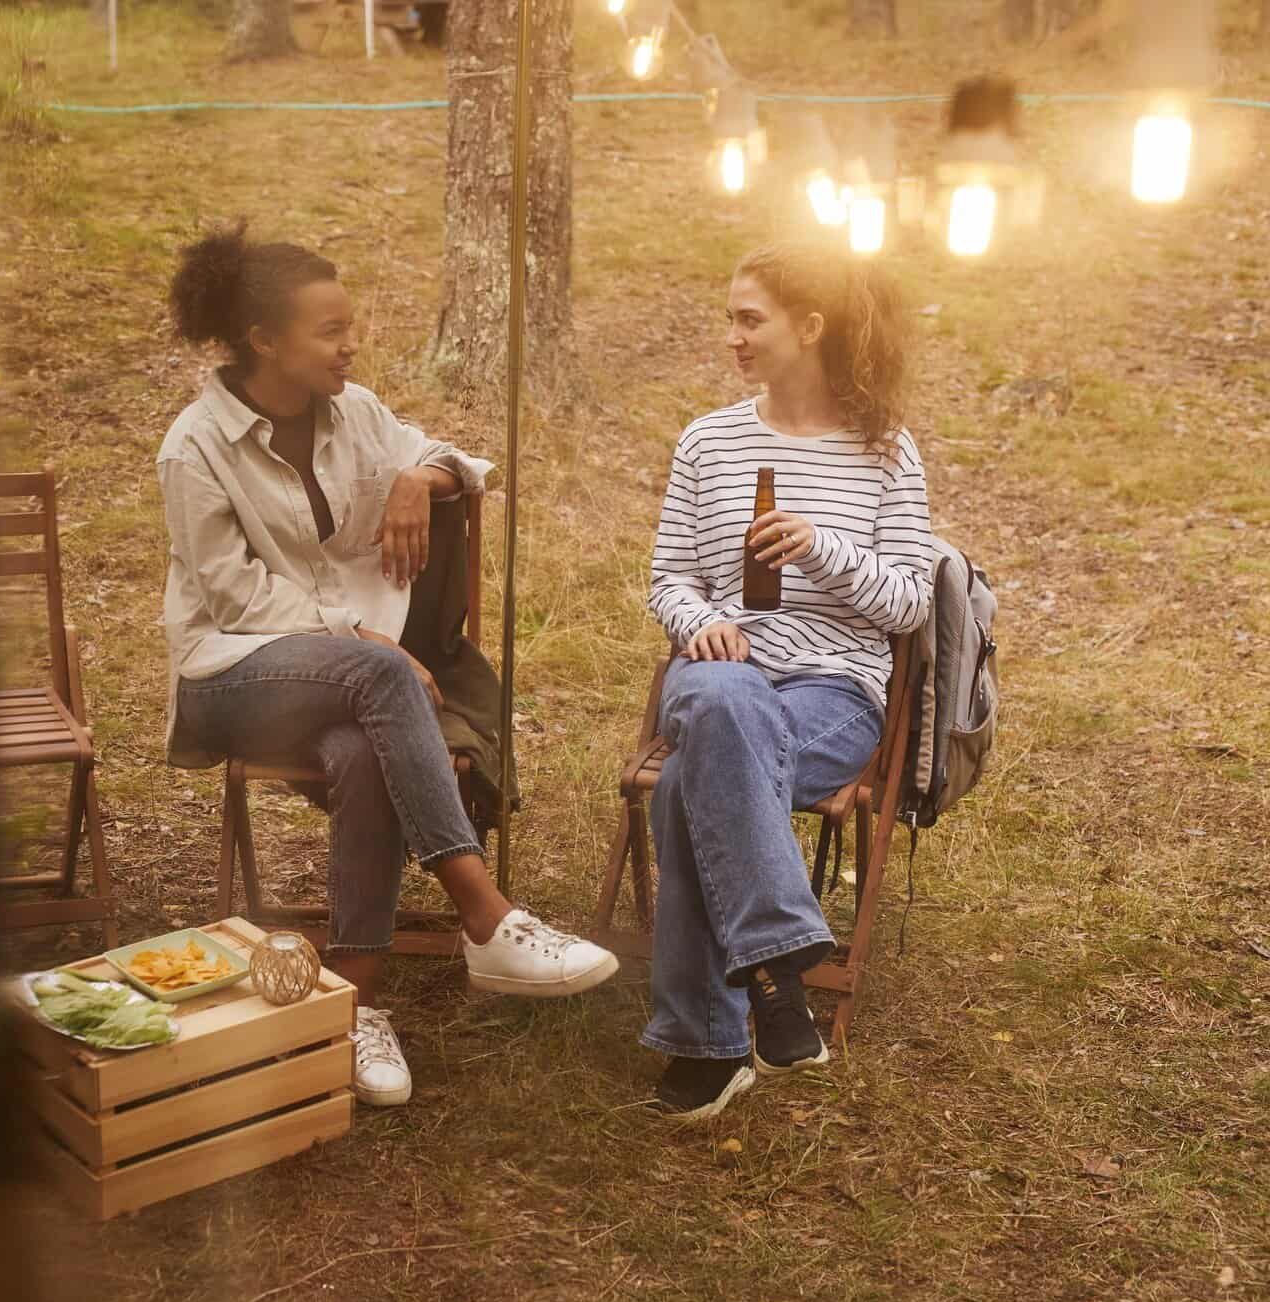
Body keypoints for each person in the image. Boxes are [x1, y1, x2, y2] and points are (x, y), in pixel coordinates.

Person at [158, 223, 617, 1108]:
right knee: (384, 677)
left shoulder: (356, 414)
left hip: (342, 683)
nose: (350, 345)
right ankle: (484, 913)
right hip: (232, 677)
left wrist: (421, 480)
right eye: (329, 331)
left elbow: (456, 459)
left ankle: (354, 1001)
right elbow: (230, 597)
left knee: (368, 746)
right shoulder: (196, 448)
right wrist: (360, 638)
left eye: (349, 327)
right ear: (264, 341)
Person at [641, 241, 933, 1120]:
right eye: (730, 316)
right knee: (726, 703)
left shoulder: (884, 452)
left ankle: (711, 1041)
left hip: (833, 692)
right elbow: (669, 580)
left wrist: (821, 546)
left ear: (809, 328)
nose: (732, 336)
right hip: (719, 667)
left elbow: (912, 605)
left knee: (692, 779)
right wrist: (701, 622)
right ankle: (776, 969)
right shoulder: (710, 441)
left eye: (749, 318)